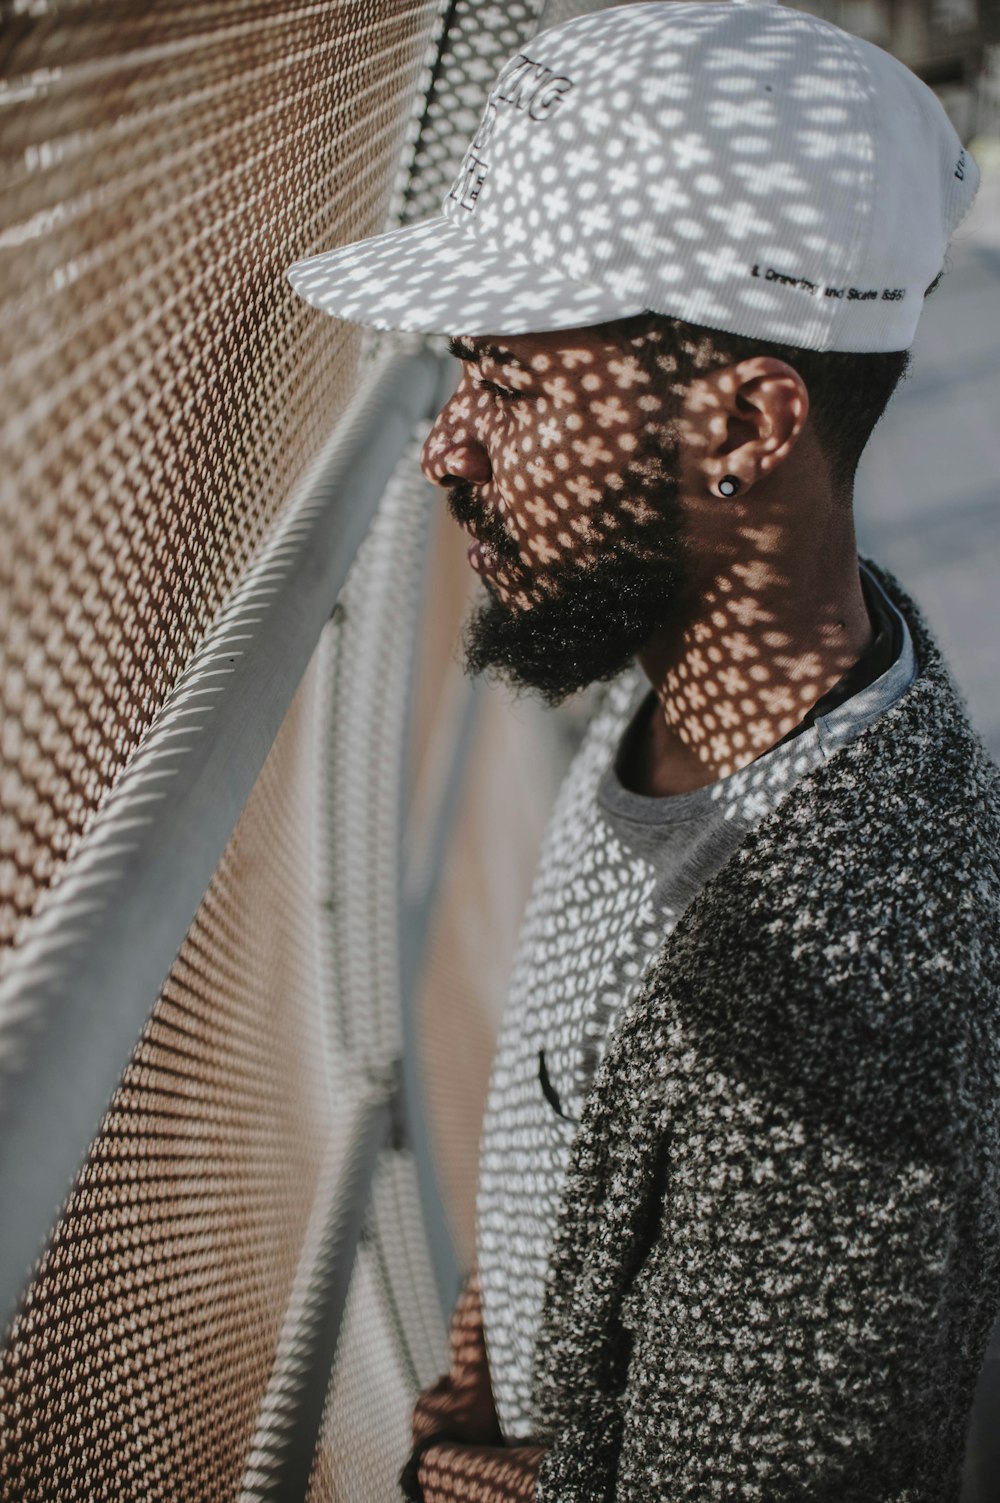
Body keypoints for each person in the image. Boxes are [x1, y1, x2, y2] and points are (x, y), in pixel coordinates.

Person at [288, 3, 1000, 1499]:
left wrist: (444, 1477)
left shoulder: (838, 1006)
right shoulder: (706, 683)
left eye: (519, 387)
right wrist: (487, 1348)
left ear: (747, 421)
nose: (447, 443)